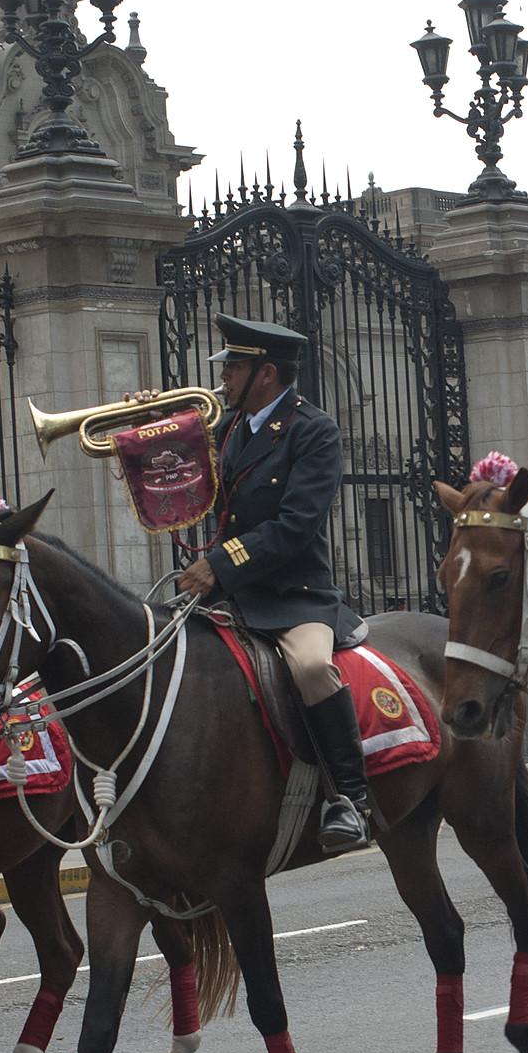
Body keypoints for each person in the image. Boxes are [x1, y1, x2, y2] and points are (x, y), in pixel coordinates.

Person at [178, 314, 371, 854]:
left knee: (312, 669)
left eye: (234, 367)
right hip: (229, 594)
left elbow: (296, 525)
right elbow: (176, 481)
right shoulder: (228, 429)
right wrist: (146, 431)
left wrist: (219, 563)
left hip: (293, 595)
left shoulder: (314, 430)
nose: (225, 378)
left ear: (266, 374)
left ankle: (350, 799)